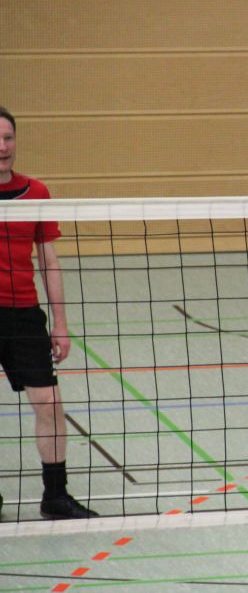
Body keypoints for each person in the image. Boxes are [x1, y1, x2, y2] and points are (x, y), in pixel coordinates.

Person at [0, 106, 96, 520]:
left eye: (8, 137)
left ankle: (55, 496)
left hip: (24, 314)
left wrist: (61, 324)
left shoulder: (36, 192)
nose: (2, 146)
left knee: (50, 404)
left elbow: (49, 262)